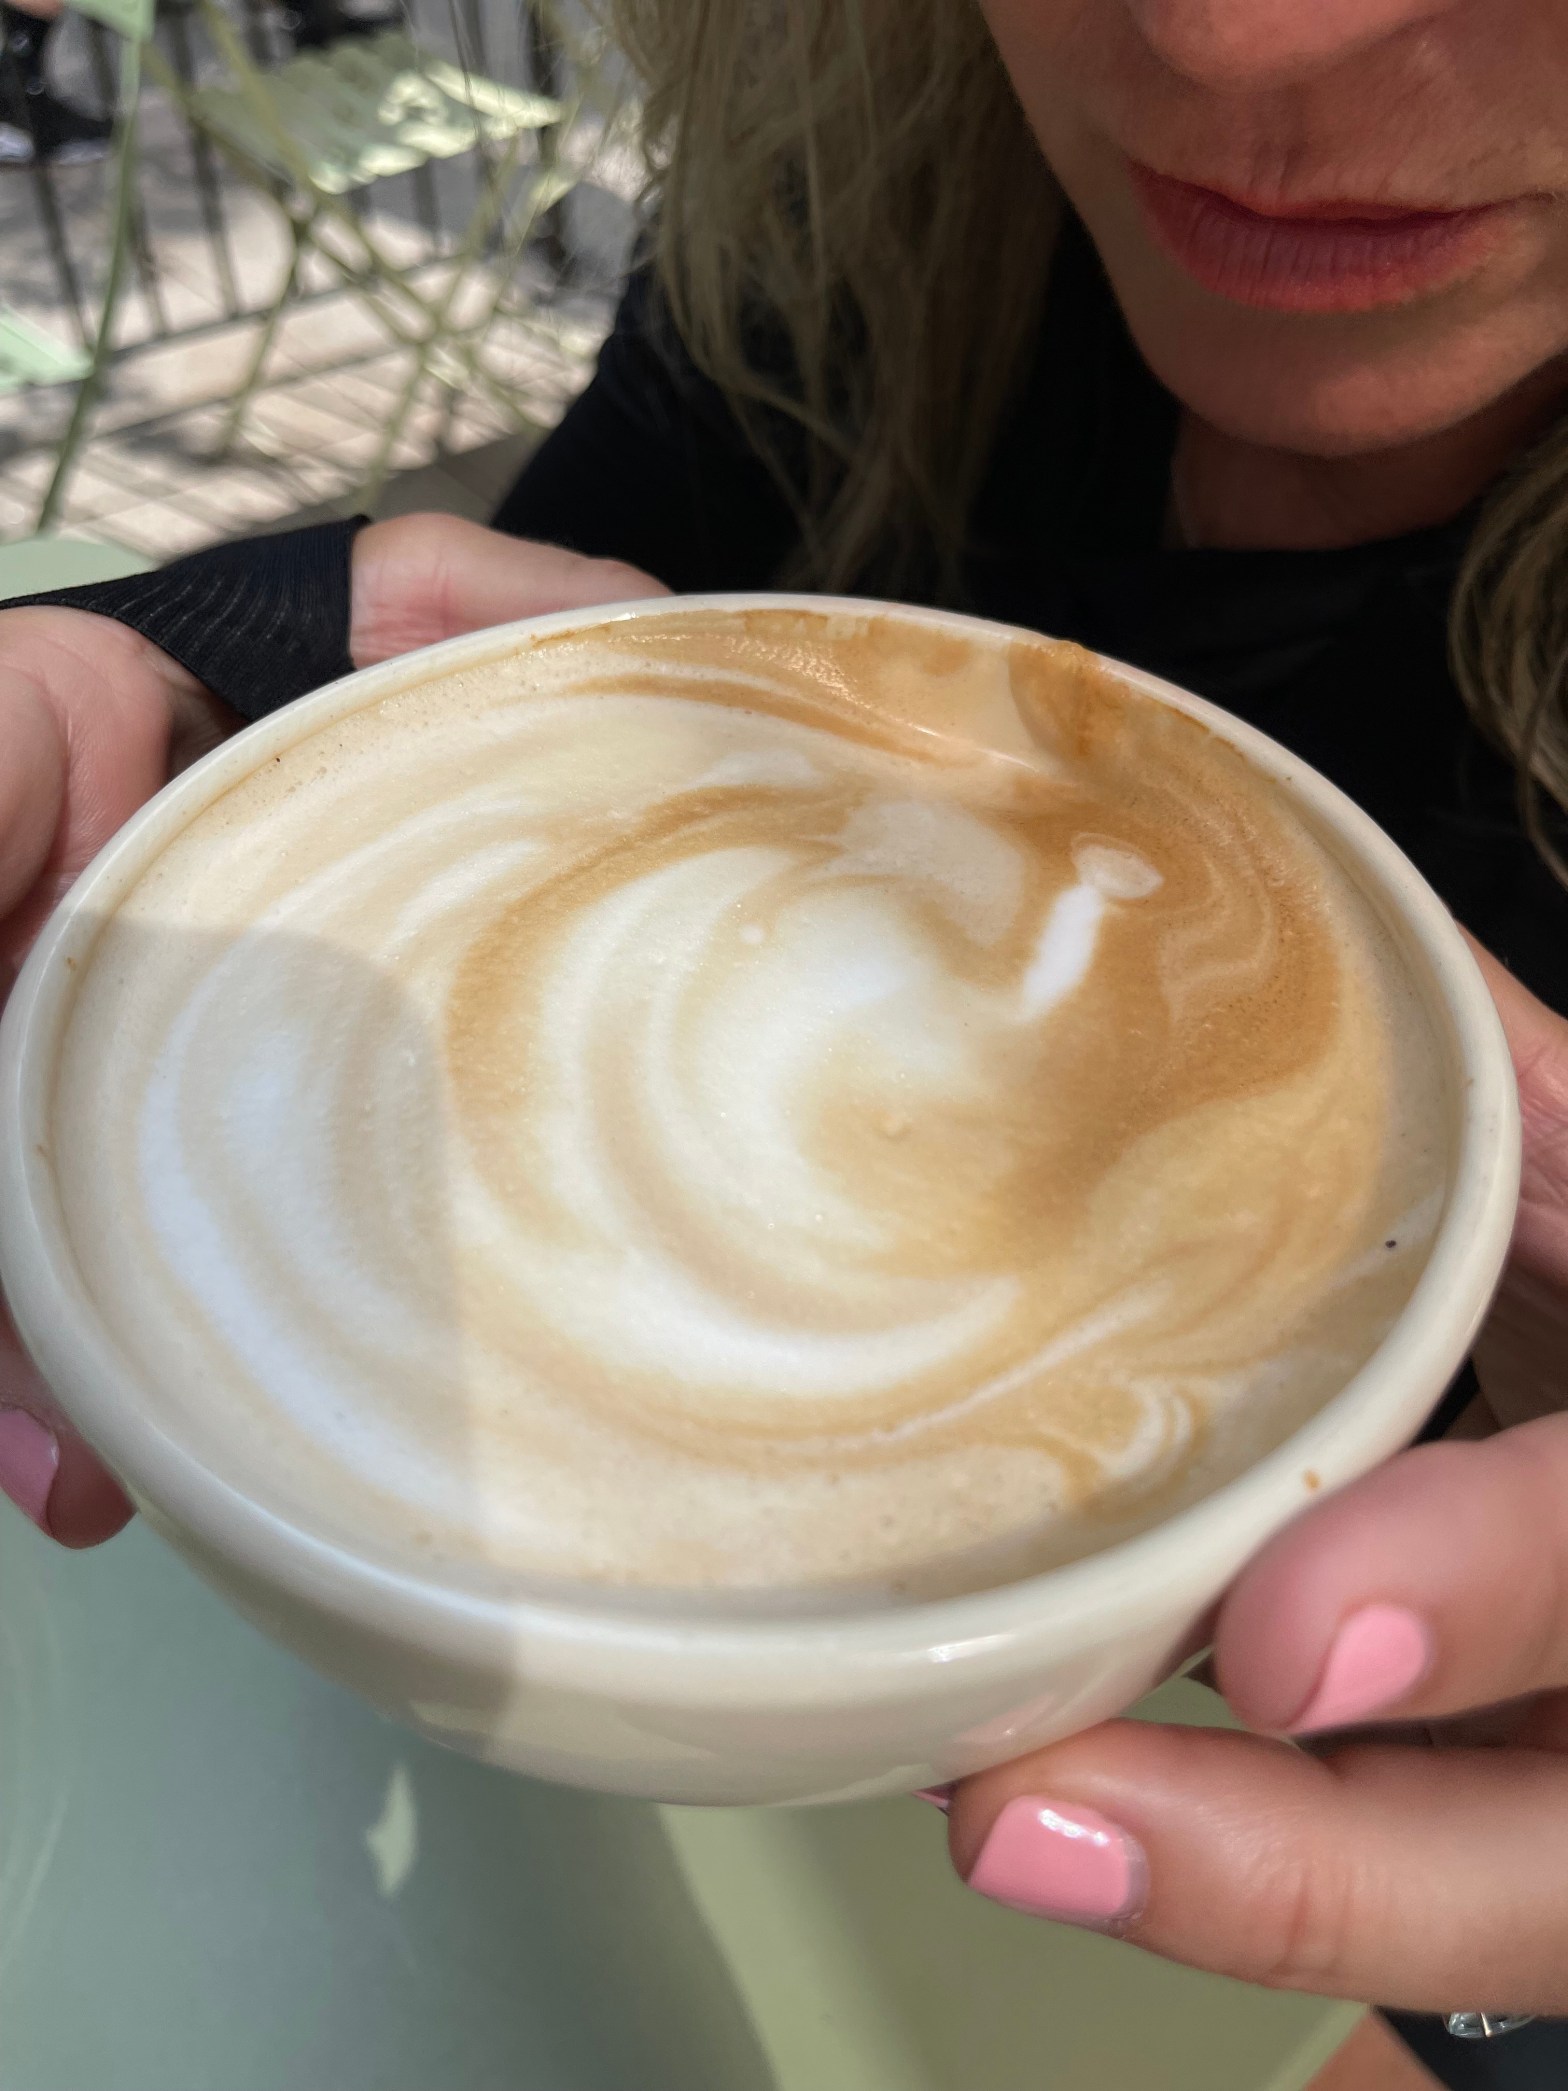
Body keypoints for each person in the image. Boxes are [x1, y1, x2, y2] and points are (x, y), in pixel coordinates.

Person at [5, 0, 1568, 2082]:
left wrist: (1509, 1994)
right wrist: (173, 687)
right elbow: (543, 676)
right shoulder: (875, 171)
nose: (1229, 32)